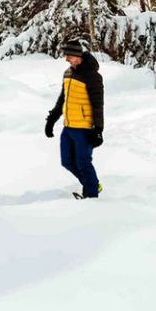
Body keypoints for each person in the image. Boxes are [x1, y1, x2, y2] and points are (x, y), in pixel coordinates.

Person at [45, 40, 104, 198]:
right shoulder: (68, 73)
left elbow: (98, 104)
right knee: (67, 161)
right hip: (68, 126)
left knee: (83, 163)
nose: (67, 59)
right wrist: (51, 120)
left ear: (78, 55)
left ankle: (92, 197)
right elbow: (62, 99)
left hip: (85, 128)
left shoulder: (92, 76)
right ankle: (92, 184)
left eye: (69, 56)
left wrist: (98, 129)